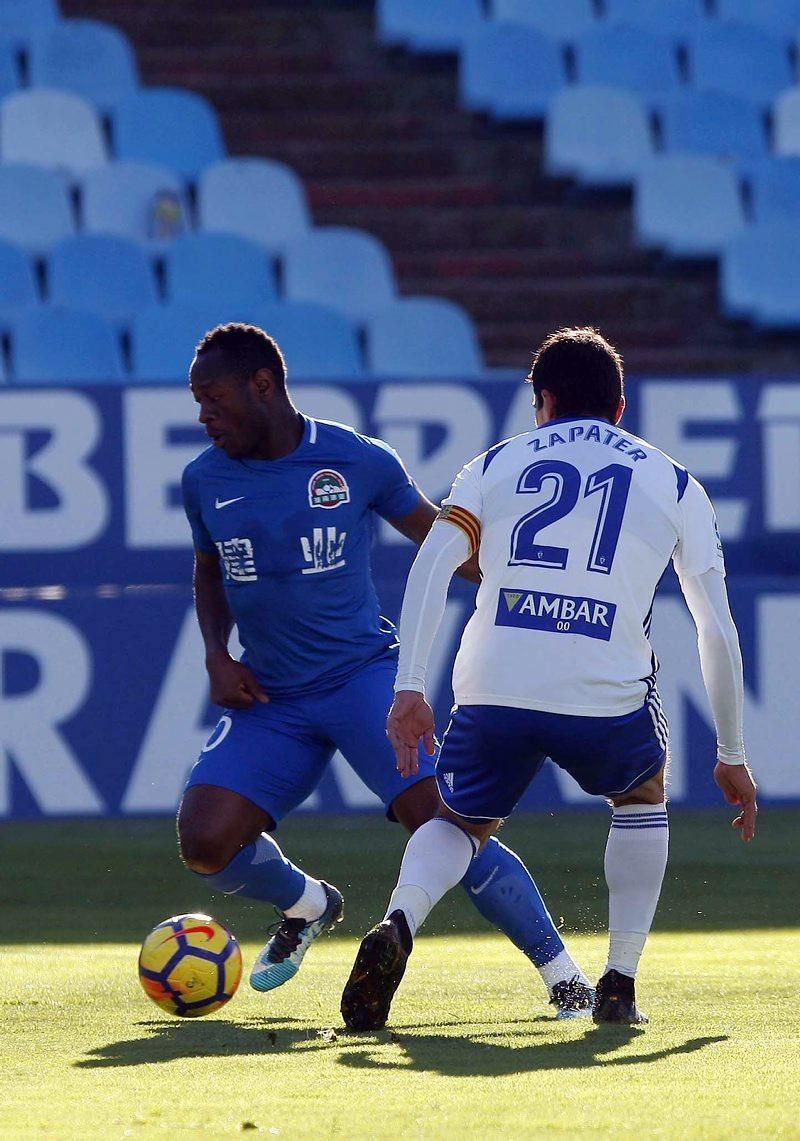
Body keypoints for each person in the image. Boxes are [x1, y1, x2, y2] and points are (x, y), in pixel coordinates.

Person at [341, 325, 758, 1032]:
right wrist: (733, 752)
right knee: (639, 794)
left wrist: (410, 685)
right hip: (605, 686)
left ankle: (400, 921)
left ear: (544, 400)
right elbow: (714, 627)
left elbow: (433, 565)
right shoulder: (676, 481)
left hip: (494, 679)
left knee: (460, 821)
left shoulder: (494, 463)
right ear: (620, 407)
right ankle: (620, 982)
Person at [177, 321, 593, 1016]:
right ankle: (308, 903)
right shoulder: (203, 479)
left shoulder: (357, 459)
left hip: (362, 680)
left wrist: (525, 586)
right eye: (197, 402)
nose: (203, 417)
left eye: (214, 399)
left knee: (446, 824)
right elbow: (207, 571)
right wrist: (217, 655)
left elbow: (444, 544)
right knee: (205, 843)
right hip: (271, 696)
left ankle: (565, 976)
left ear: (263, 385)